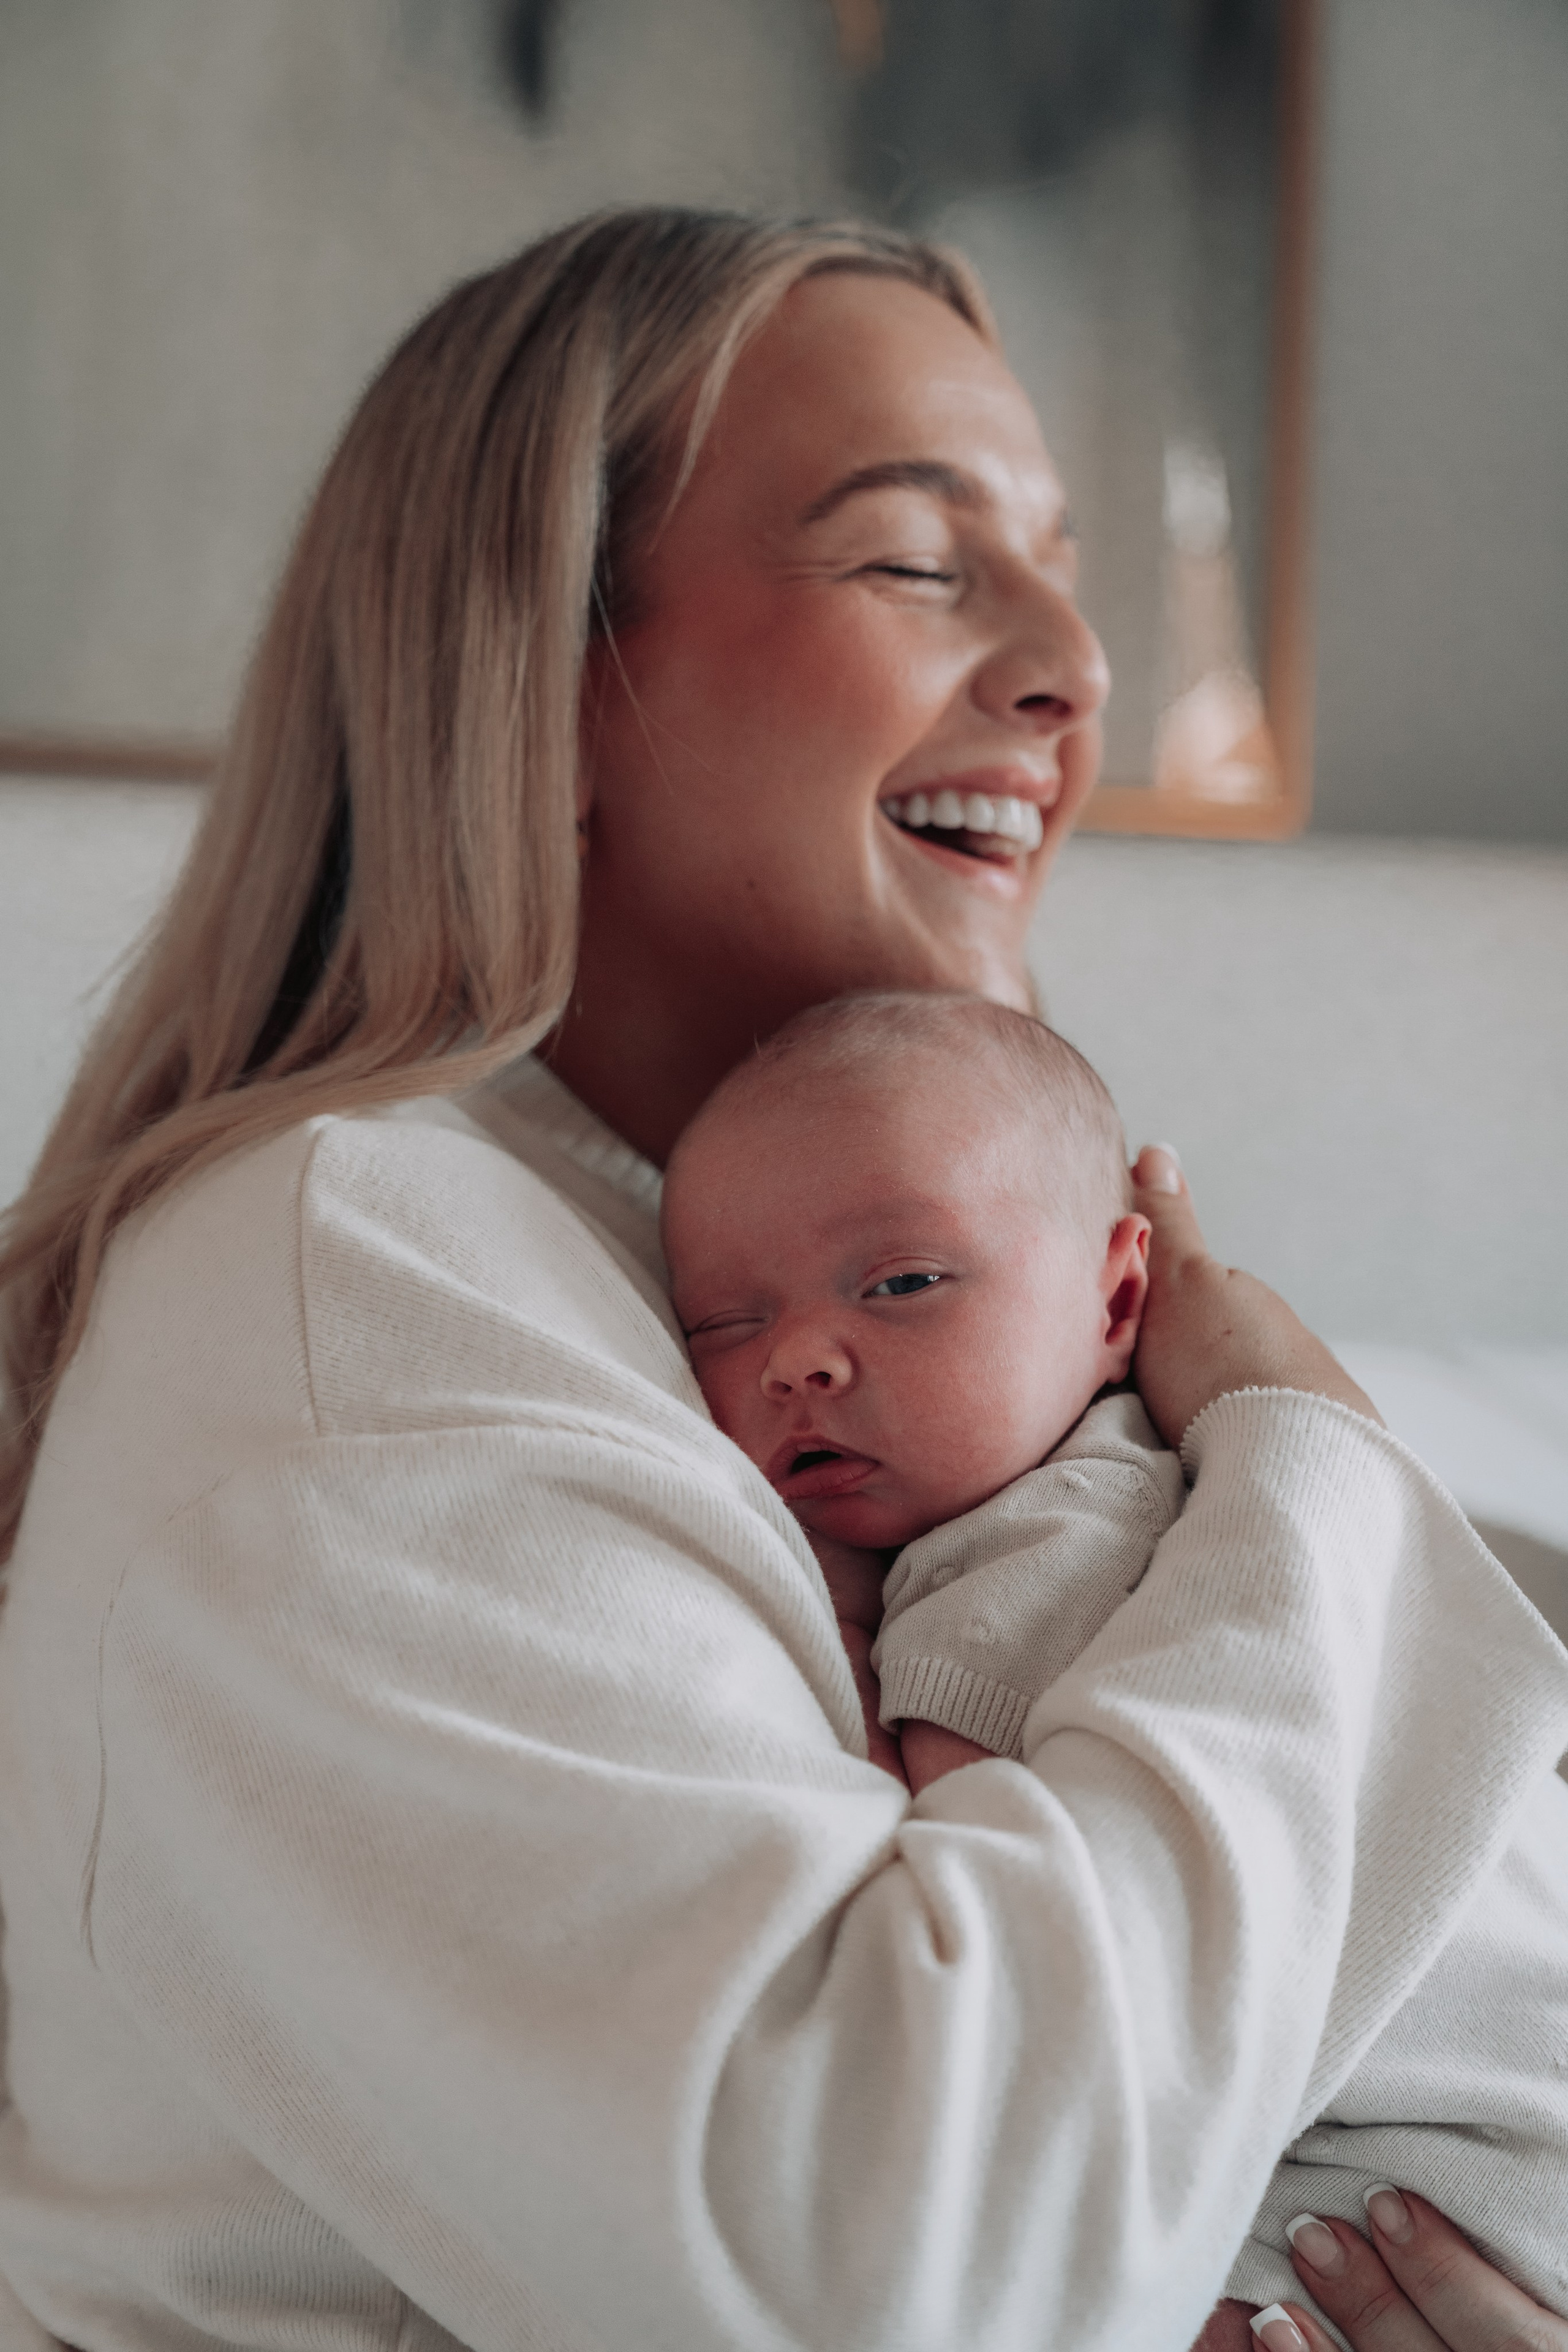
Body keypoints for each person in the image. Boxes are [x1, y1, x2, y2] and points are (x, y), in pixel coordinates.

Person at [0, 208, 1562, 2352]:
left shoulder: (678, 1281)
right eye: (921, 563)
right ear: (545, 679)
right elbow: (902, 2268)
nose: (1073, 673)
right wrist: (1309, 1472)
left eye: (1065, 569)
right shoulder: (364, 1275)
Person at [661, 986, 1568, 2336]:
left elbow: (986, 1925)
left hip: (1457, 2166)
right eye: (721, 1325)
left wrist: (848, 1676)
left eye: (902, 1282)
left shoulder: (1038, 1543)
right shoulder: (1144, 1494)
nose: (796, 1357)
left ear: (1118, 1297)